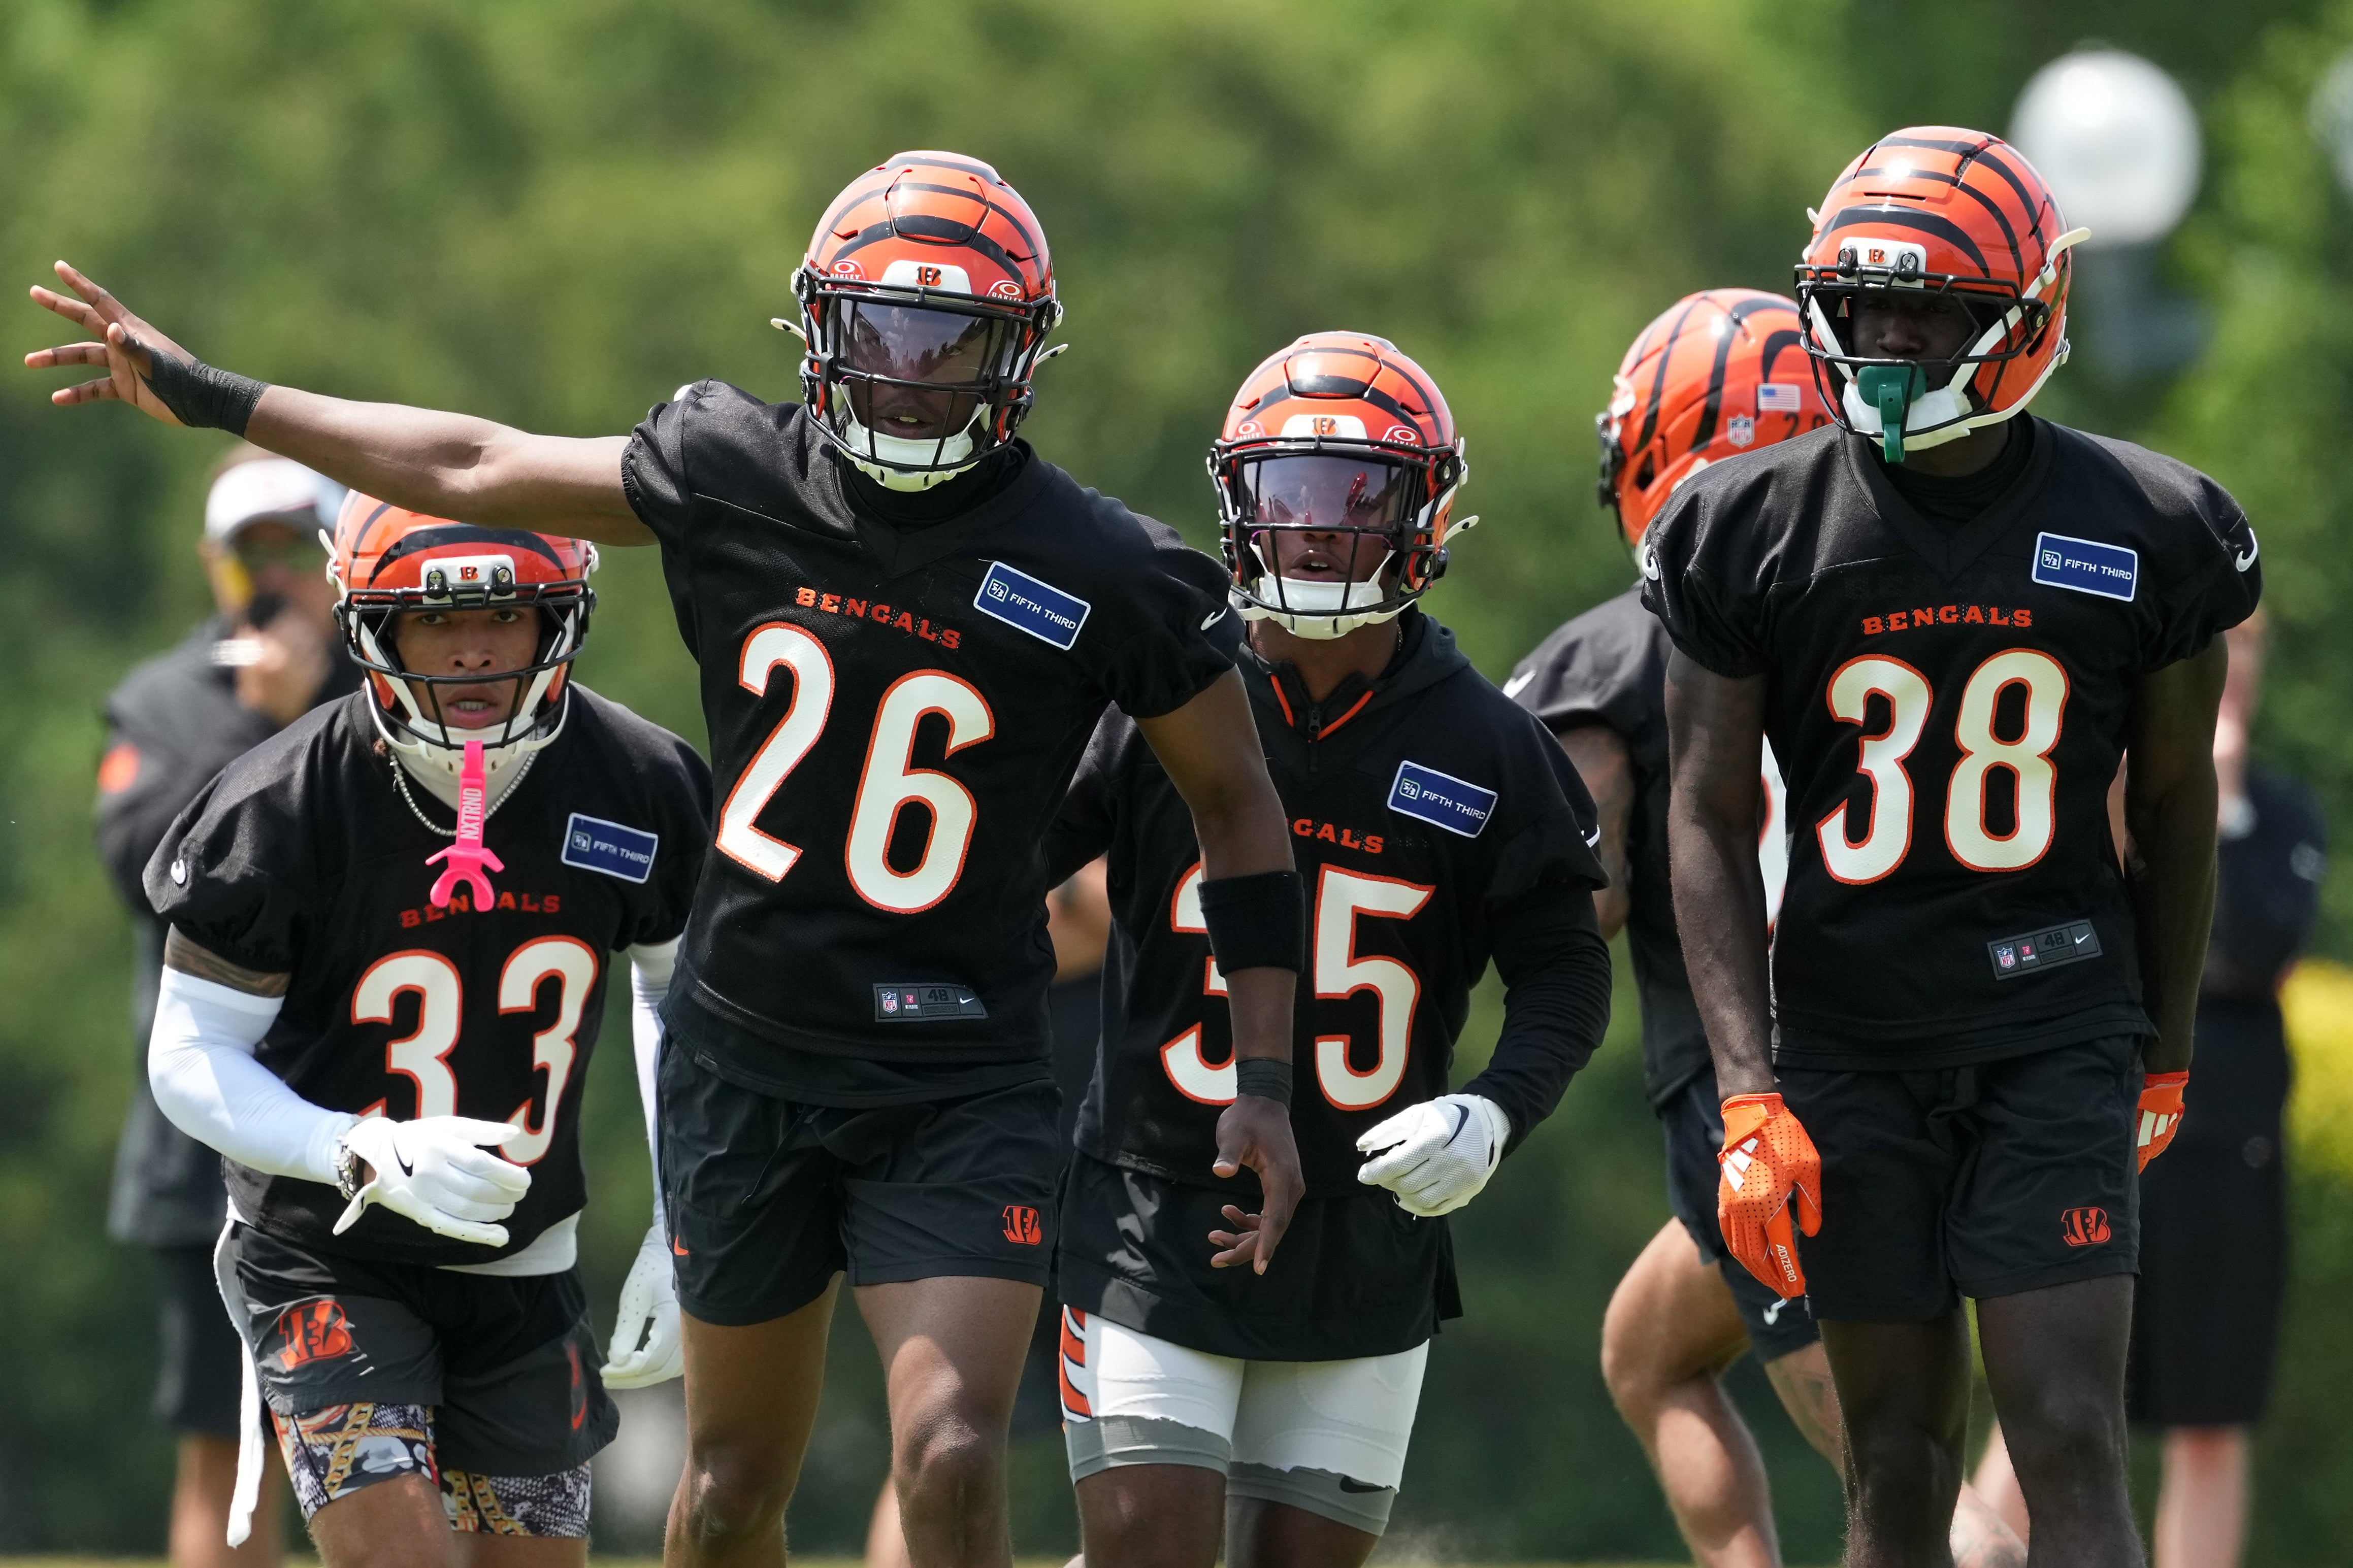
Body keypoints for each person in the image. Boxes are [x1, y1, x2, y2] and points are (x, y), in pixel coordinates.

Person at [30, 150, 1302, 1568]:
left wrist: (1262, 1077)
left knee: (949, 1454)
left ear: (1020, 357)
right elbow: (470, 463)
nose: (911, 376)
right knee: (727, 1492)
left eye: (953, 346)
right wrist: (215, 395)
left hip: (959, 1069)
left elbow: (1238, 803)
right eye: (880, 333)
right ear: (819, 331)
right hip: (746, 1058)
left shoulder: (1108, 567)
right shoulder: (731, 467)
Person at [1643, 127, 2260, 1568]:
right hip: (1852, 1042)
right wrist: (1748, 1098)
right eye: (1862, 305)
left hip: (2054, 1028)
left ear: (2028, 317)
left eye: (1931, 308)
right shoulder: (1745, 526)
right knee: (1897, 1472)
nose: (1889, 339)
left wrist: (2157, 1048)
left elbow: (2173, 807)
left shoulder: (2151, 524)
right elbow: (1707, 815)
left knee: (2064, 1437)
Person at [1045, 333, 1616, 1568]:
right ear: (1238, 501)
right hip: (1153, 1204)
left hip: (1366, 1238)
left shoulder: (1486, 744)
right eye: (1286, 492)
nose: (1313, 530)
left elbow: (1567, 966)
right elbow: (1005, 874)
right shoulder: (1158, 692)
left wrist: (1495, 1113)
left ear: (1426, 515)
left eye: (1356, 498)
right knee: (1147, 1548)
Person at [1508, 289, 2022, 1568]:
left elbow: (1586, 885)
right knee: (1650, 1351)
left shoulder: (1618, 650)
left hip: (1753, 1107)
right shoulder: (1899, 599)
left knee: (1918, 1505)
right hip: (1929, 1061)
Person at [139, 496, 708, 1566]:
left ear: (565, 621)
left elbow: (681, 1000)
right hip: (328, 1249)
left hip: (525, 1257)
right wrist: (356, 1146)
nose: (476, 650)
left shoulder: (641, 783)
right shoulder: (283, 802)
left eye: (510, 615)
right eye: (435, 621)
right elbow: (186, 1055)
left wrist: (687, 1223)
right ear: (373, 627)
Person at [1971, 612, 2324, 1567]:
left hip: (2227, 1156)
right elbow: (2065, 943)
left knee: (2211, 1418)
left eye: (2249, 644)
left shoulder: (2284, 817)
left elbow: (2248, 946)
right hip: (2100, 1137)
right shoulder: (2096, 796)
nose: (2233, 666)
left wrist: (2228, 791)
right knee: (2054, 1393)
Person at [98, 446, 355, 1568]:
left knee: (403, 1446)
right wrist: (267, 730)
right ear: (215, 564)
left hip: (372, 1124)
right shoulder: (160, 704)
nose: (272, 577)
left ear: (341, 558)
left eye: (297, 548)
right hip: (204, 1143)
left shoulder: (404, 693)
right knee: (234, 1454)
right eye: (250, 551)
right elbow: (140, 871)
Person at [863, 859, 1113, 1568]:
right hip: (988, 1183)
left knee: (1137, 1432)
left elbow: (1100, 914)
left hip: (1108, 1200)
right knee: (939, 1434)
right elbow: (1070, 918)